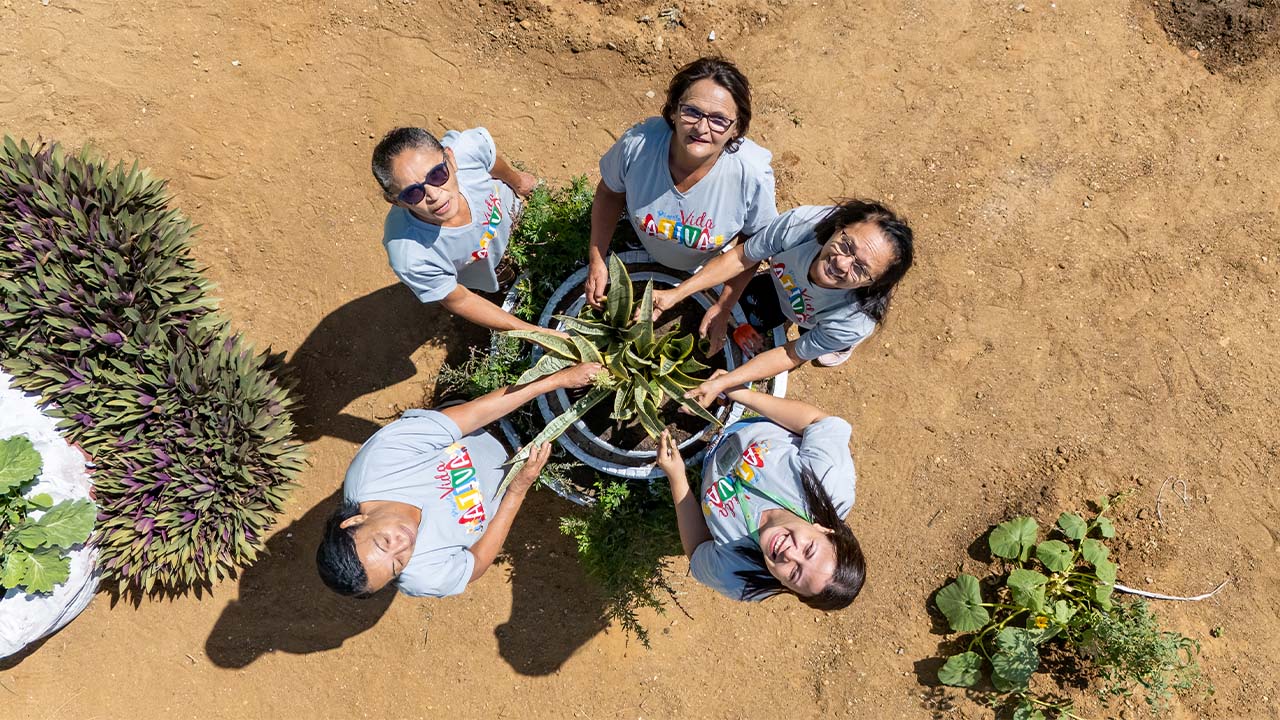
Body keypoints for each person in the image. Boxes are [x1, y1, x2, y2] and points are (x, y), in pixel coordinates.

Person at [316, 361, 603, 598]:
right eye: (397, 565)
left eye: (384, 542)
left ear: (354, 521)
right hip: (524, 465)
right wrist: (517, 490)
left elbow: (474, 414)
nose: (403, 545)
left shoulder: (380, 464)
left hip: (492, 420)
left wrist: (557, 379)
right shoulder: (423, 577)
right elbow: (476, 565)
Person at [652, 200, 914, 404]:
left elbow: (792, 353)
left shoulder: (853, 320)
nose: (841, 263)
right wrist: (705, 302)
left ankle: (837, 345)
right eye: (847, 246)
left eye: (861, 269)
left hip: (820, 318)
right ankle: (792, 303)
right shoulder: (800, 226)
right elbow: (742, 257)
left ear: (873, 284)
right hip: (785, 287)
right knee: (756, 311)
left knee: (815, 339)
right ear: (839, 226)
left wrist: (726, 381)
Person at [585, 56, 777, 324]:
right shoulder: (638, 146)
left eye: (719, 120)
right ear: (673, 111)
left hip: (706, 264)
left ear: (736, 129)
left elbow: (754, 245)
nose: (701, 128)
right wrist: (597, 258)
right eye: (692, 111)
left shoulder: (752, 175)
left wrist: (724, 306)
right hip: (641, 241)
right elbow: (609, 193)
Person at [654, 372, 864, 609]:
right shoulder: (829, 481)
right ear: (825, 530)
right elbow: (817, 422)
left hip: (707, 463)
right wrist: (739, 392)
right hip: (748, 427)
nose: (789, 555)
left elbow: (696, 551)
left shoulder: (739, 576)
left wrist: (677, 477)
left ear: (789, 588)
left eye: (794, 574)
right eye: (809, 549)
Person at [372, 126, 564, 335]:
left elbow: (490, 161)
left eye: (437, 174)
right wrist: (534, 333)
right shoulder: (412, 257)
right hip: (487, 270)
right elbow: (461, 299)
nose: (434, 195)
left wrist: (517, 181)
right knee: (503, 280)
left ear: (451, 159)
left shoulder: (466, 150)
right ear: (396, 202)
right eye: (412, 193)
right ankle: (504, 279)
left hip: (518, 217)